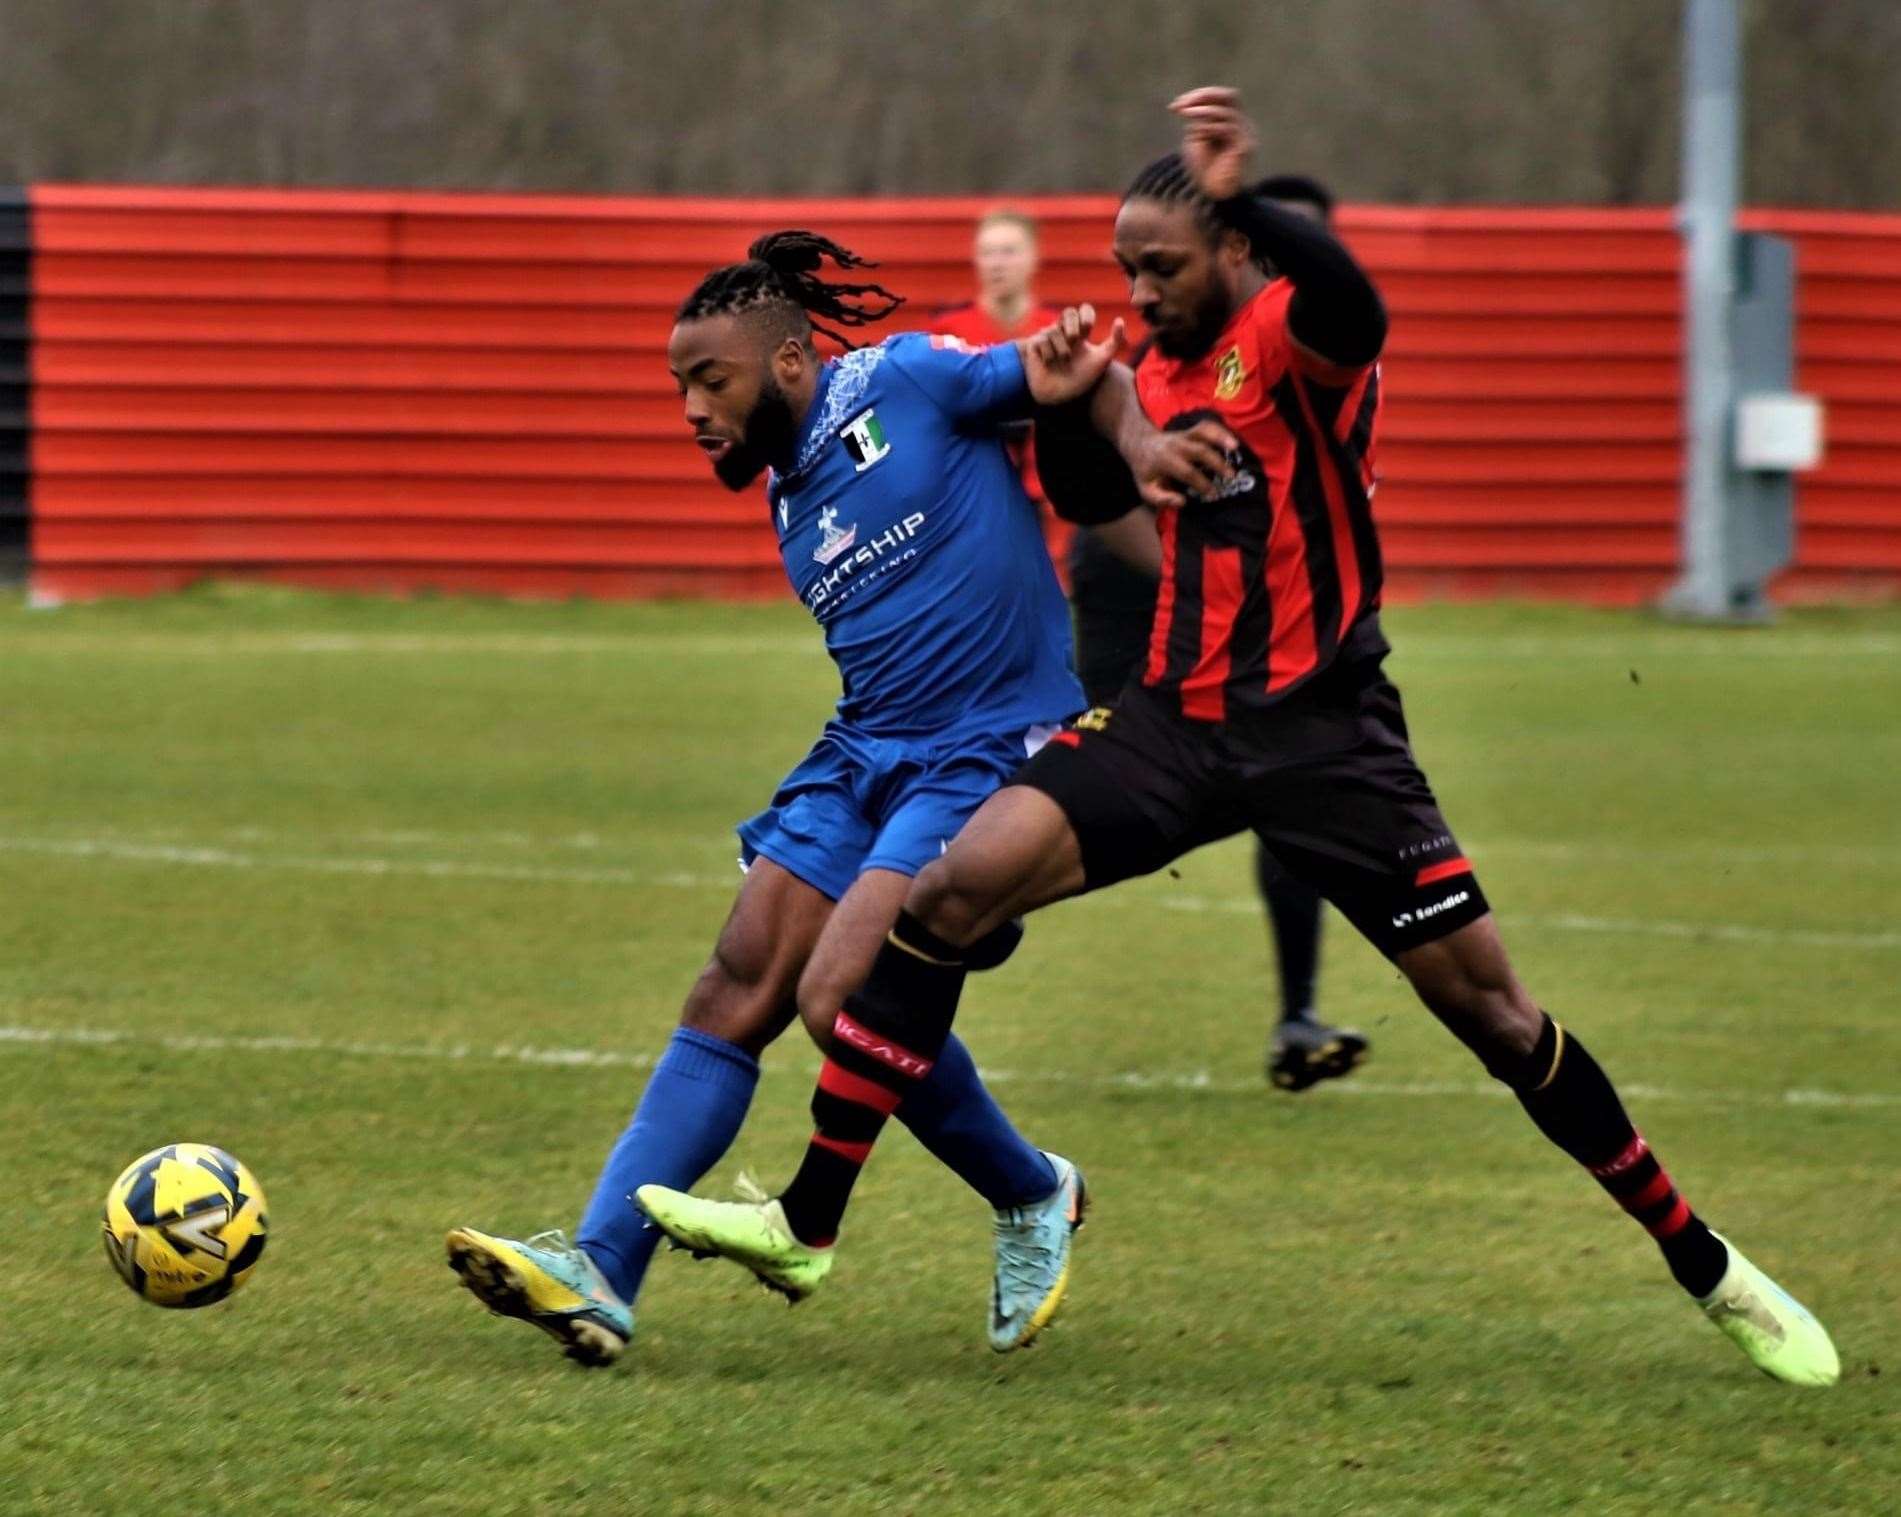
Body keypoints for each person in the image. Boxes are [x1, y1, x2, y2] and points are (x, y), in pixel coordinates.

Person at [636, 91, 1840, 1389]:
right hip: (1169, 723)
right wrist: (1088, 426)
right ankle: (810, 1223)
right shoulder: (1144, 371)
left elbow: (1356, 308)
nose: (1140, 291)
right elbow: (1093, 494)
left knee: (1492, 1013)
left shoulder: (1292, 337)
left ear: (1230, 255)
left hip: (1325, 737)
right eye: (1126, 270)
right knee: (947, 888)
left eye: (1162, 265)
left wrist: (1251, 197)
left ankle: (1703, 1262)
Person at [444, 230, 1200, 1363]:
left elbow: (1066, 379)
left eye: (712, 380)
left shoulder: (903, 377)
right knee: (737, 977)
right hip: (868, 748)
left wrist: (1125, 423)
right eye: (678, 387)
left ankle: (1027, 1187)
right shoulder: (789, 491)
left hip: (986, 748)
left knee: (839, 990)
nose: (692, 408)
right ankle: (599, 1268)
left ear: (789, 363)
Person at [1065, 172, 1367, 1093]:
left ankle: (1295, 1012)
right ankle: (952, 900)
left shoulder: (1310, 354)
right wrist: (1203, 583)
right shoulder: (1176, 356)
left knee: (1290, 812)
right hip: (1137, 619)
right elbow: (1100, 500)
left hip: (1251, 654)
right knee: (1042, 797)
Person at [931, 209, 1070, 570]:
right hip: (969, 491)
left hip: (1045, 488)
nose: (997, 263)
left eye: (1009, 251)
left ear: (1033, 257)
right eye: (988, 252)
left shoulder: (1057, 329)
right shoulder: (948, 330)